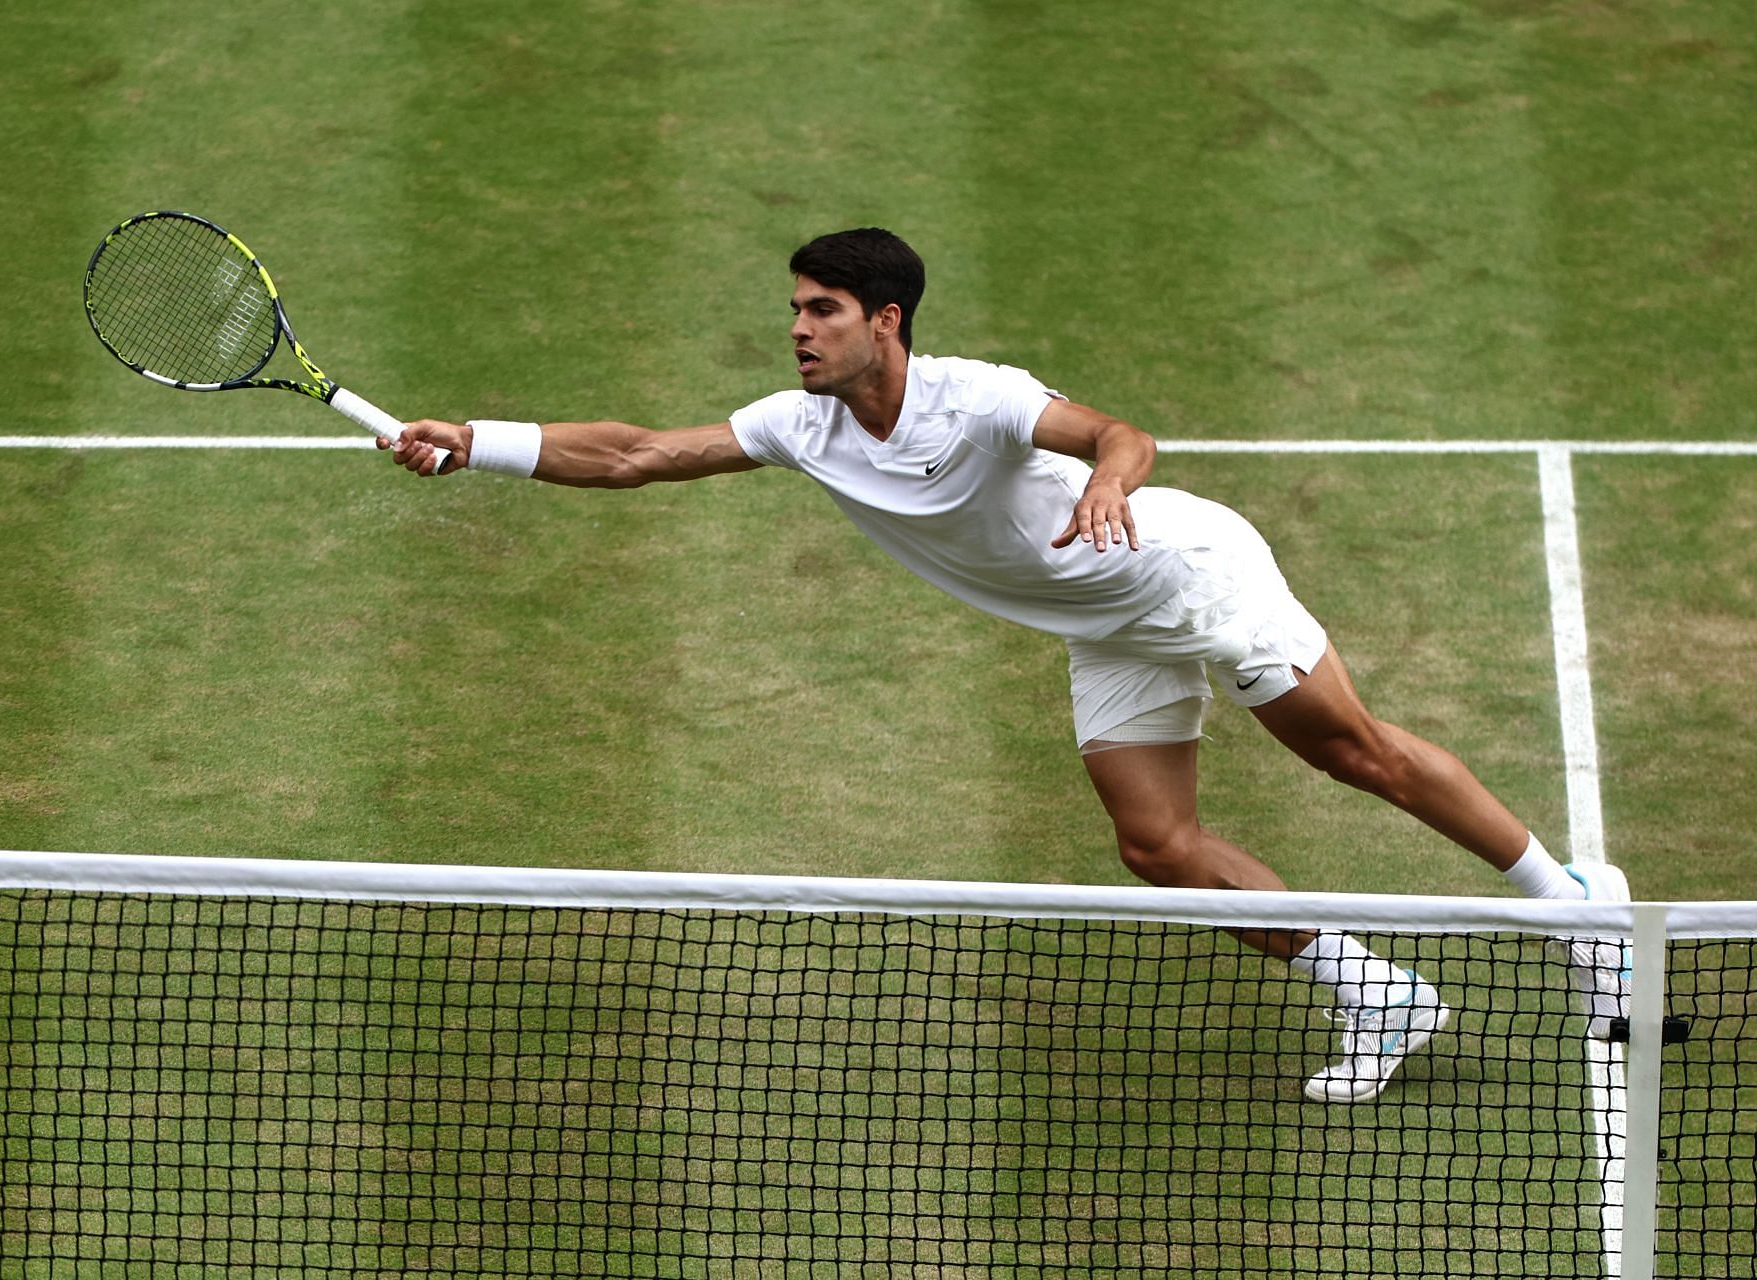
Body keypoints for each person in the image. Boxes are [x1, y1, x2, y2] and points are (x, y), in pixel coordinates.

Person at [382, 227, 1631, 1103]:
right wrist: (477, 439)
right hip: (1103, 623)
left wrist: (1106, 484)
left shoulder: (975, 395)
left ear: (886, 321)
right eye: (796, 309)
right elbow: (639, 453)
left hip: (1187, 573)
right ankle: (1381, 994)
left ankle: (1578, 912)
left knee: (1351, 751)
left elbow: (1122, 432)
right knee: (1157, 846)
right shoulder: (799, 425)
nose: (799, 330)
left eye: (821, 310)